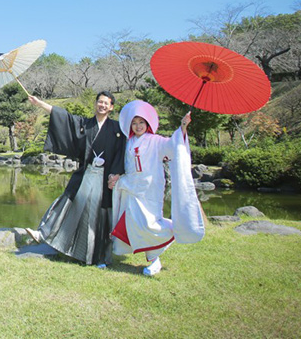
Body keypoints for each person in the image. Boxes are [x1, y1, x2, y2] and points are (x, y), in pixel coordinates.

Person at [25, 91, 125, 267]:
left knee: (100, 218)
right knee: (68, 204)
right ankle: (44, 233)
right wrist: (40, 103)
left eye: (105, 103)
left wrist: (116, 173)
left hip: (104, 179)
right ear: (96, 104)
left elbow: (121, 153)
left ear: (111, 107)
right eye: (99, 102)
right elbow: (64, 117)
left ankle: (99, 257)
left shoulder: (117, 129)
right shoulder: (85, 124)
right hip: (86, 175)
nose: (102, 105)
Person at [109, 100, 205, 276]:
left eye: (141, 122)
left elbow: (172, 145)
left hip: (150, 188)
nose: (138, 126)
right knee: (133, 223)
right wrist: (116, 177)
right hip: (131, 186)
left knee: (149, 223)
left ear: (148, 124)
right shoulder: (128, 142)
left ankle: (171, 231)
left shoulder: (156, 141)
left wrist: (183, 127)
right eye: (134, 123)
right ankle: (153, 259)